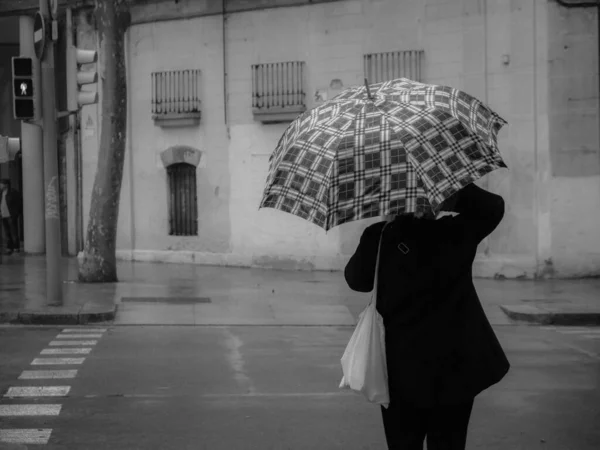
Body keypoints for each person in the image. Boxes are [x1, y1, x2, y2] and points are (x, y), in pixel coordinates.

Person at [344, 182, 510, 450]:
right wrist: (448, 192)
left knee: (403, 442)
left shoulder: (380, 236)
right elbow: (493, 206)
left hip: (401, 368)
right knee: (450, 442)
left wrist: (384, 226)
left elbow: (357, 281)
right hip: (456, 364)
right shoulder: (456, 232)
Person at [0, 178, 22, 255]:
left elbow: (19, 203)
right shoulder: (1, 192)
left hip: (11, 216)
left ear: (6, 185)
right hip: (3, 215)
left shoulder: (13, 192)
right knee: (7, 233)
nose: (0, 185)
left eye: (1, 184)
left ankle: (16, 248)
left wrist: (16, 214)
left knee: (14, 232)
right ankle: (9, 248)